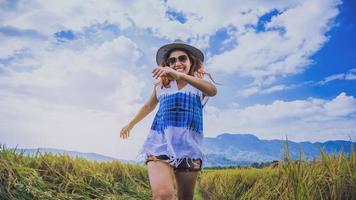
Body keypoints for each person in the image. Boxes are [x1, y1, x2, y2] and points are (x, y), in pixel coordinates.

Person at [120, 39, 217, 200]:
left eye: (182, 58)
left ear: (191, 61)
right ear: (167, 64)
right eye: (172, 60)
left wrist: (181, 75)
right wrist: (130, 124)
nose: (177, 62)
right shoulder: (161, 85)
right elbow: (148, 106)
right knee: (163, 195)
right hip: (160, 144)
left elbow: (213, 91)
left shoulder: (199, 83)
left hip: (189, 148)